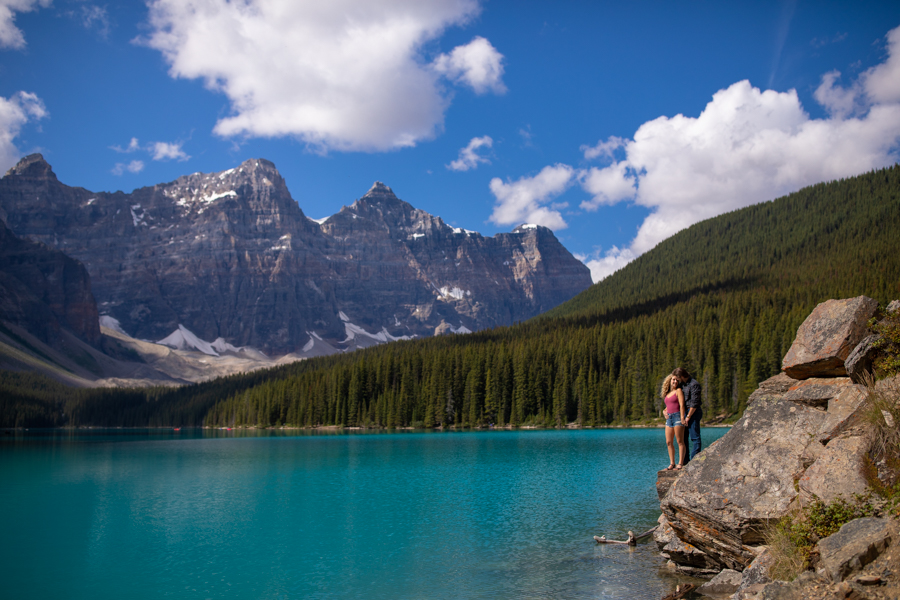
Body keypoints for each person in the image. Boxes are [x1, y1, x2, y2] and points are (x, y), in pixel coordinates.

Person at [673, 367, 702, 462]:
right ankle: (685, 462)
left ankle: (695, 460)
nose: (676, 380)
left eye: (677, 378)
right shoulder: (682, 385)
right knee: (683, 438)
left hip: (693, 412)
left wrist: (688, 416)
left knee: (695, 437)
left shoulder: (694, 384)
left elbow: (695, 403)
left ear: (681, 376)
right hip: (683, 412)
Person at [661, 374, 686, 470]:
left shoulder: (678, 391)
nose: (675, 381)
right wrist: (664, 411)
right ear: (669, 381)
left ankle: (680, 463)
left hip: (677, 417)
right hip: (669, 419)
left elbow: (682, 404)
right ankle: (672, 463)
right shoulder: (667, 393)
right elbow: (669, 405)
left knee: (680, 441)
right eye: (673, 379)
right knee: (668, 442)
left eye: (677, 380)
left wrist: (682, 417)